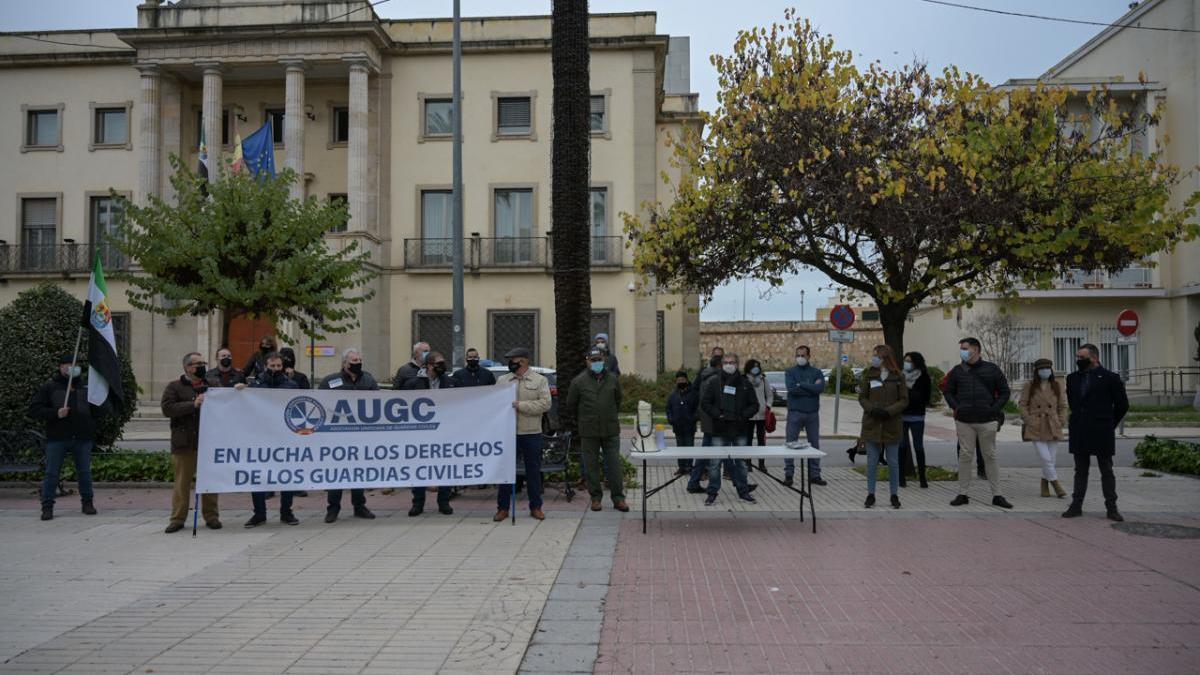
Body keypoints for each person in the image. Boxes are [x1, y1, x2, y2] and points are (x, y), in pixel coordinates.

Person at [28, 355, 109, 521]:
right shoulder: (50, 387)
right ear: (61, 367)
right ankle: (47, 506)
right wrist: (55, 413)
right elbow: (34, 410)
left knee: (84, 472)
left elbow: (97, 410)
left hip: (82, 438)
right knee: (52, 473)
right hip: (58, 438)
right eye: (68, 364)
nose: (73, 367)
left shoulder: (86, 387)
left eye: (76, 364)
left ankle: (87, 503)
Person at [944, 337, 1013, 509]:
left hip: (987, 420)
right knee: (965, 455)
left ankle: (997, 495)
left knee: (990, 455)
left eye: (965, 348)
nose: (962, 351)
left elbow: (1005, 392)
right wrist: (956, 407)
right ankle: (963, 493)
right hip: (964, 420)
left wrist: (993, 409)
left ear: (976, 349)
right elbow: (948, 391)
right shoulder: (957, 371)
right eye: (961, 348)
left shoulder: (992, 369)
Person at [1063, 344, 1129, 521]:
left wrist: (1109, 423)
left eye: (1081, 357)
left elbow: (1122, 405)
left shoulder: (1110, 378)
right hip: (1080, 429)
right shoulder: (1072, 378)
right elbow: (1073, 403)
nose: (1078, 360)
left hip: (1102, 430)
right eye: (1077, 357)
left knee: (1106, 470)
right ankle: (1076, 505)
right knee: (1080, 470)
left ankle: (1112, 508)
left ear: (1094, 358)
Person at [237, 352, 300, 527]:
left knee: (287, 476)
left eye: (279, 366)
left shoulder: (291, 386)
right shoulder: (254, 386)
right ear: (266, 366)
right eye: (272, 366)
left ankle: (286, 512)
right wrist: (240, 392)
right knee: (257, 477)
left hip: (284, 439)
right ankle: (259, 514)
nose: (276, 369)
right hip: (260, 438)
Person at [161, 352, 220, 533]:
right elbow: (167, 408)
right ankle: (178, 518)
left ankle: (211, 516)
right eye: (198, 363)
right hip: (184, 443)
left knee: (209, 482)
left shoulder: (213, 385)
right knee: (182, 483)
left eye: (203, 362)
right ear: (188, 367)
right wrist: (192, 405)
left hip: (208, 442)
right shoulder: (175, 387)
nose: (202, 366)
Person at [565, 347, 627, 512]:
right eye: (593, 360)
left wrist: (608, 414)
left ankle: (618, 499)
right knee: (591, 467)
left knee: (614, 465)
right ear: (587, 361)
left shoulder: (613, 379)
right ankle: (595, 498)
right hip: (589, 431)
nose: (597, 363)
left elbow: (618, 400)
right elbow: (571, 405)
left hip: (610, 429)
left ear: (604, 360)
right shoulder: (578, 381)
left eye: (599, 359)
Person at [318, 348, 378, 523]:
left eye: (359, 360)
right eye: (353, 361)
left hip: (360, 436)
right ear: (344, 363)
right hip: (337, 437)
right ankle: (333, 508)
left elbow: (378, 404)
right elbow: (320, 403)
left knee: (358, 472)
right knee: (337, 473)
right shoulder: (330, 381)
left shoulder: (368, 379)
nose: (357, 363)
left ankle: (359, 506)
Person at [496, 347, 552, 521]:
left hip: (531, 433)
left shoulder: (540, 380)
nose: (510, 363)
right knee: (506, 472)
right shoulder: (503, 380)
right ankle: (503, 508)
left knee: (533, 472)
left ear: (523, 361)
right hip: (508, 433)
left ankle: (536, 507)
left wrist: (520, 405)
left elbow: (545, 405)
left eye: (513, 360)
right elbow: (495, 403)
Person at [698, 352, 760, 506]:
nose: (729, 365)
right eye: (726, 362)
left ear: (737, 364)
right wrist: (717, 414)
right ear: (722, 364)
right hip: (719, 429)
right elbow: (705, 403)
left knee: (741, 463)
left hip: (740, 429)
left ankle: (743, 491)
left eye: (732, 362)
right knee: (714, 463)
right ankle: (712, 492)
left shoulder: (745, 383)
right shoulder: (714, 382)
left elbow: (754, 405)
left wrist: (743, 416)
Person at [401, 351, 455, 516]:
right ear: (429, 366)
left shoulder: (451, 382)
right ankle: (418, 503)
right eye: (439, 363)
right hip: (421, 434)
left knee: (445, 468)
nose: (442, 366)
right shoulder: (413, 383)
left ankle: (444, 502)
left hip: (444, 432)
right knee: (420, 468)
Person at [858, 345, 909, 509]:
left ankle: (894, 495)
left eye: (877, 356)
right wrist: (872, 409)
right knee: (872, 461)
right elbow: (862, 397)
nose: (874, 359)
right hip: (872, 423)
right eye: (873, 356)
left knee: (893, 462)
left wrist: (889, 412)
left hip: (891, 424)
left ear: (885, 358)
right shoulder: (869, 375)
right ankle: (870, 494)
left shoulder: (898, 376)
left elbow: (904, 400)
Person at [1019, 358, 1068, 499]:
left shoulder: (1057, 385)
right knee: (1045, 458)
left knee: (1051, 459)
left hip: (1053, 424)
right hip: (1036, 424)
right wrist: (1029, 420)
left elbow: (1063, 405)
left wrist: (1061, 420)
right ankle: (1056, 484)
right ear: (1036, 371)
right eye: (1041, 369)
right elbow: (1022, 404)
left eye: (1047, 368)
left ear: (1051, 370)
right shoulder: (1030, 385)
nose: (1045, 371)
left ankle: (1044, 484)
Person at [783, 345, 826, 487]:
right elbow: (792, 389)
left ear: (808, 356)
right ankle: (788, 475)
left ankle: (815, 475)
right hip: (795, 412)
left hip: (812, 413)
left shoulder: (817, 372)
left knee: (814, 444)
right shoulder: (790, 371)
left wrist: (801, 384)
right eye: (798, 355)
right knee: (790, 443)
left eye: (802, 355)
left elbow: (819, 388)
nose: (800, 358)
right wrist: (811, 388)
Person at [685, 346, 725, 493]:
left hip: (708, 419)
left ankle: (694, 482)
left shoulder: (704, 375)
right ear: (720, 365)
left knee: (710, 452)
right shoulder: (716, 379)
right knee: (725, 452)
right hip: (716, 420)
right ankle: (741, 485)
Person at [899, 351, 932, 488]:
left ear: (916, 362)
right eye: (905, 360)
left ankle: (922, 478)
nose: (907, 363)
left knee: (918, 446)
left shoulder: (923, 376)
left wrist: (910, 396)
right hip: (901, 416)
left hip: (917, 416)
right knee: (902, 446)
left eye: (910, 361)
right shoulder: (900, 376)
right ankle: (901, 478)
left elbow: (925, 397)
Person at [666, 370, 699, 476]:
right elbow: (668, 409)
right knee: (679, 448)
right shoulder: (673, 395)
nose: (680, 382)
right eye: (678, 380)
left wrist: (693, 418)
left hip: (689, 426)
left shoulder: (694, 394)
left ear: (687, 380)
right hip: (678, 426)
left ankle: (689, 467)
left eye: (682, 380)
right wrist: (671, 420)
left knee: (689, 448)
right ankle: (681, 468)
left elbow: (698, 409)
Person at [743, 359, 771, 474]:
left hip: (761, 415)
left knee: (761, 441)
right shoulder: (744, 379)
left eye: (758, 366)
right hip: (748, 415)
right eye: (754, 366)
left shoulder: (763, 379)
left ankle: (761, 464)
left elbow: (769, 395)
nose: (756, 368)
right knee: (747, 440)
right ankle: (748, 463)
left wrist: (767, 406)